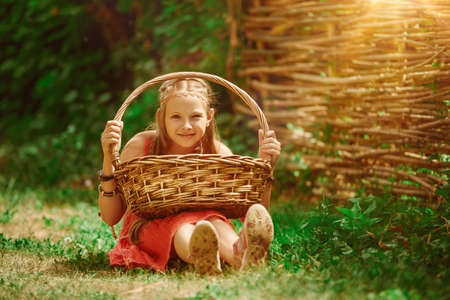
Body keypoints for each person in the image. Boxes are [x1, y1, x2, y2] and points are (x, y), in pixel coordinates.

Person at [98, 78, 281, 274]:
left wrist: (267, 168)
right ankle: (201, 255)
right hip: (147, 228)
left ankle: (240, 256)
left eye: (195, 116)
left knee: (215, 221)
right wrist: (109, 158)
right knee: (183, 226)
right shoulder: (141, 147)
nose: (186, 125)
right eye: (176, 116)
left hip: (206, 225)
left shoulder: (218, 154)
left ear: (209, 116)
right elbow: (111, 217)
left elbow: (248, 210)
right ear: (162, 117)